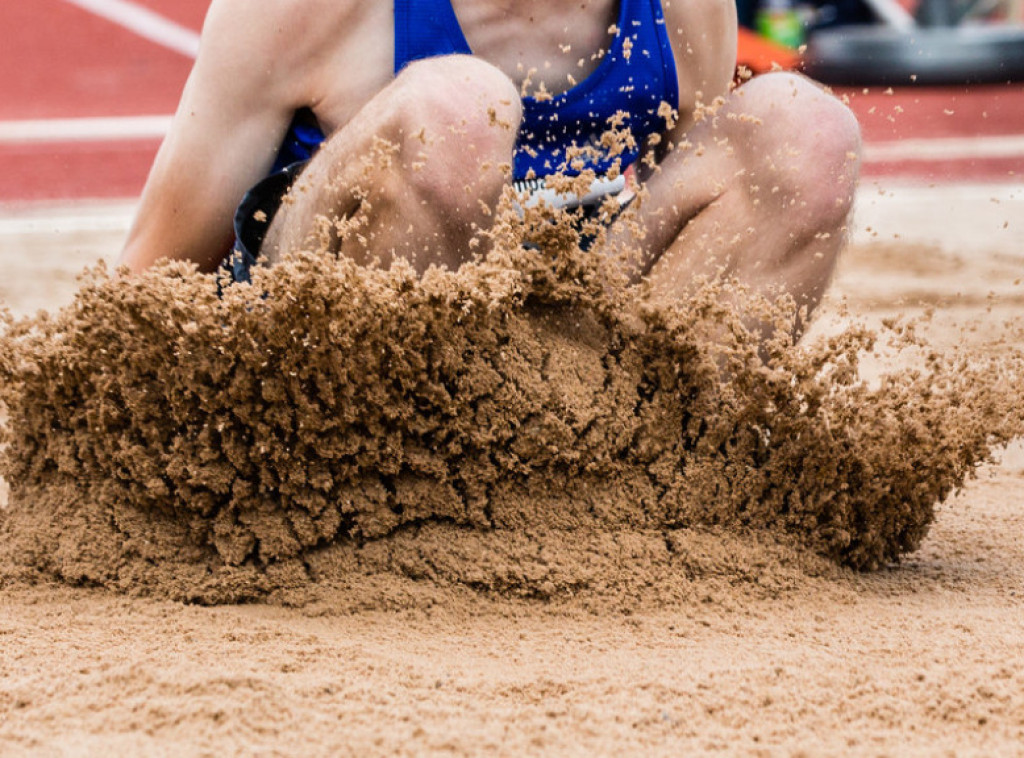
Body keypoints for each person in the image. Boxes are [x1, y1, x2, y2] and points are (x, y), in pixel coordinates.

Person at [119, 0, 861, 326]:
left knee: (807, 130)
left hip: (556, 356)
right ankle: (373, 497)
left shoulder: (683, 5)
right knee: (458, 111)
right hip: (319, 375)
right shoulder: (306, 6)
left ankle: (665, 487)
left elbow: (694, 240)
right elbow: (146, 283)